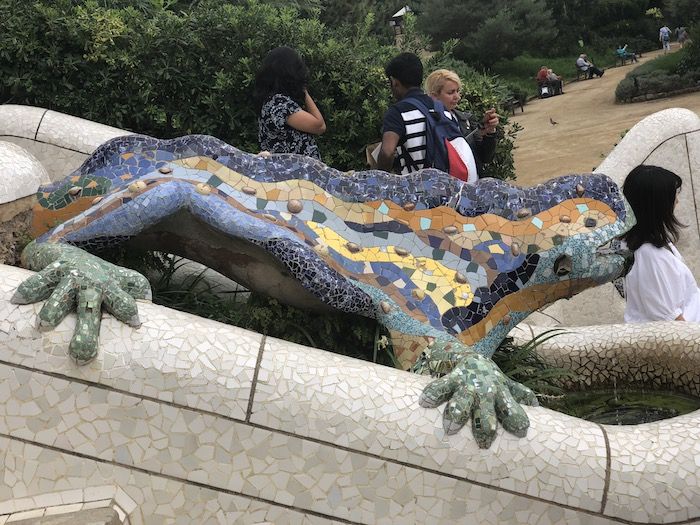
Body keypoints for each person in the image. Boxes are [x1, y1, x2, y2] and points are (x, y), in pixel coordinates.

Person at [377, 53, 478, 181]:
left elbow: (387, 152)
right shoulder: (440, 108)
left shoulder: (397, 112)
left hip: (416, 192)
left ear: (395, 82)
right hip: (447, 188)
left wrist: (379, 181)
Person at [622, 165, 700, 323]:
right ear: (657, 205)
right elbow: (671, 320)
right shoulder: (648, 255)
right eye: (673, 196)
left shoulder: (646, 241)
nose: (677, 201)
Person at [254, 46, 326, 160]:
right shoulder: (280, 104)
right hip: (295, 173)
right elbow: (319, 126)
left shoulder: (271, 101)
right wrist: (303, 90)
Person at [423, 68, 498, 174]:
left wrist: (490, 132)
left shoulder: (466, 119)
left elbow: (485, 157)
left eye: (458, 91)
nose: (457, 97)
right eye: (451, 92)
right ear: (434, 96)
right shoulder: (426, 125)